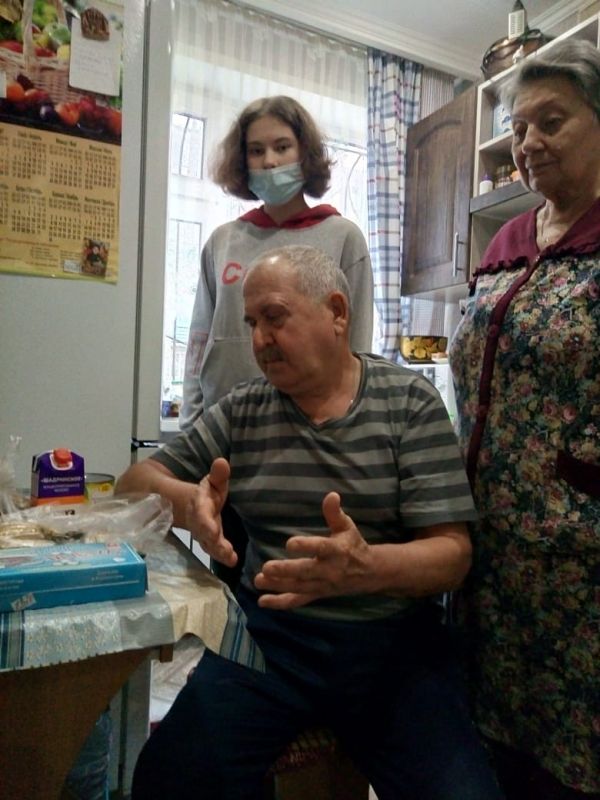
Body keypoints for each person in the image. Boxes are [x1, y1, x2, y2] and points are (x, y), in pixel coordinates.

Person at [117, 245, 502, 800]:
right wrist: (188, 502)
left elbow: (452, 555)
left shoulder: (408, 404)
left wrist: (366, 568)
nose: (259, 340)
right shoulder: (244, 409)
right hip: (270, 641)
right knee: (169, 779)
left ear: (337, 312)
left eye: (274, 317)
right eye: (251, 323)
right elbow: (134, 484)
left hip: (392, 645)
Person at [449, 39, 600, 800]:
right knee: (489, 745)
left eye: (552, 121)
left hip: (579, 558)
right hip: (485, 548)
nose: (530, 142)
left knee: (570, 756)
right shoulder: (506, 242)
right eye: (518, 128)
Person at [179, 94, 374, 587]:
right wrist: (192, 425)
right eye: (256, 150)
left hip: (311, 451)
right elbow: (200, 341)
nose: (269, 161)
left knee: (298, 574)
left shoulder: (342, 237)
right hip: (229, 446)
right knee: (228, 577)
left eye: (282, 147)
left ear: (305, 154)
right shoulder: (224, 241)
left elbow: (358, 346)